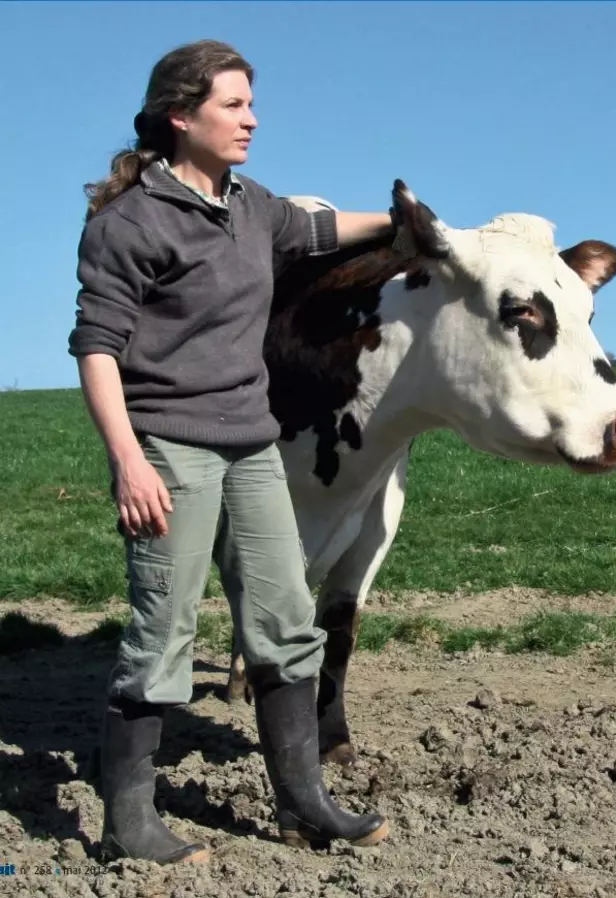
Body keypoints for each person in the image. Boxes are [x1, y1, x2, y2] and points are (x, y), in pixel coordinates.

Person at [68, 38, 398, 865]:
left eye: (252, 104)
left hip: (251, 444)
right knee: (164, 630)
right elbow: (97, 347)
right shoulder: (130, 221)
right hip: (169, 449)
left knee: (286, 622)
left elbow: (318, 227)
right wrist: (128, 459)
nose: (251, 119)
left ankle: (303, 802)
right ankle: (131, 823)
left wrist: (405, 220)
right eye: (233, 105)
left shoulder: (251, 205)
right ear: (181, 116)